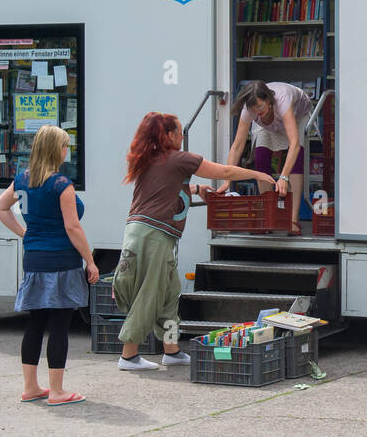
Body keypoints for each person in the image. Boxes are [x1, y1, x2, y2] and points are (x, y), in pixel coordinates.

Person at [115, 111, 282, 371]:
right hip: (153, 236)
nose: (182, 136)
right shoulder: (179, 159)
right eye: (179, 132)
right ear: (168, 135)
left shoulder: (152, 158)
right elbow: (223, 170)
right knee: (149, 293)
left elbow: (164, 188)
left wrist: (194, 189)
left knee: (170, 294)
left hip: (146, 233)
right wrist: (257, 174)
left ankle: (171, 350)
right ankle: (129, 355)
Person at [0, 124, 97, 406]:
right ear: (55, 149)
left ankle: (30, 387)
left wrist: (25, 233)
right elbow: (73, 227)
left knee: (35, 323)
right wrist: (90, 260)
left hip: (33, 259)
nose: (67, 151)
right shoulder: (61, 184)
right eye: (65, 145)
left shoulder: (23, 180)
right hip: (61, 259)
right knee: (60, 324)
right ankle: (58, 391)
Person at [217, 81, 313, 235]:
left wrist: (284, 177)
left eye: (260, 107)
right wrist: (227, 180)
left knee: (296, 158)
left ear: (268, 99)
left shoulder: (282, 100)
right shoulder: (250, 110)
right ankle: (267, 217)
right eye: (253, 109)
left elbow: (294, 144)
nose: (257, 111)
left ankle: (293, 220)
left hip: (296, 114)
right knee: (261, 157)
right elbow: (237, 146)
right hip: (268, 124)